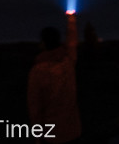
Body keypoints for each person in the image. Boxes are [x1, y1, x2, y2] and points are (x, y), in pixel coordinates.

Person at [27, 11, 82, 143]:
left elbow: (35, 106)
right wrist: (71, 20)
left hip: (52, 134)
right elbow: (72, 43)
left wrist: (37, 137)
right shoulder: (67, 62)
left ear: (44, 43)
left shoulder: (38, 71)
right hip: (73, 131)